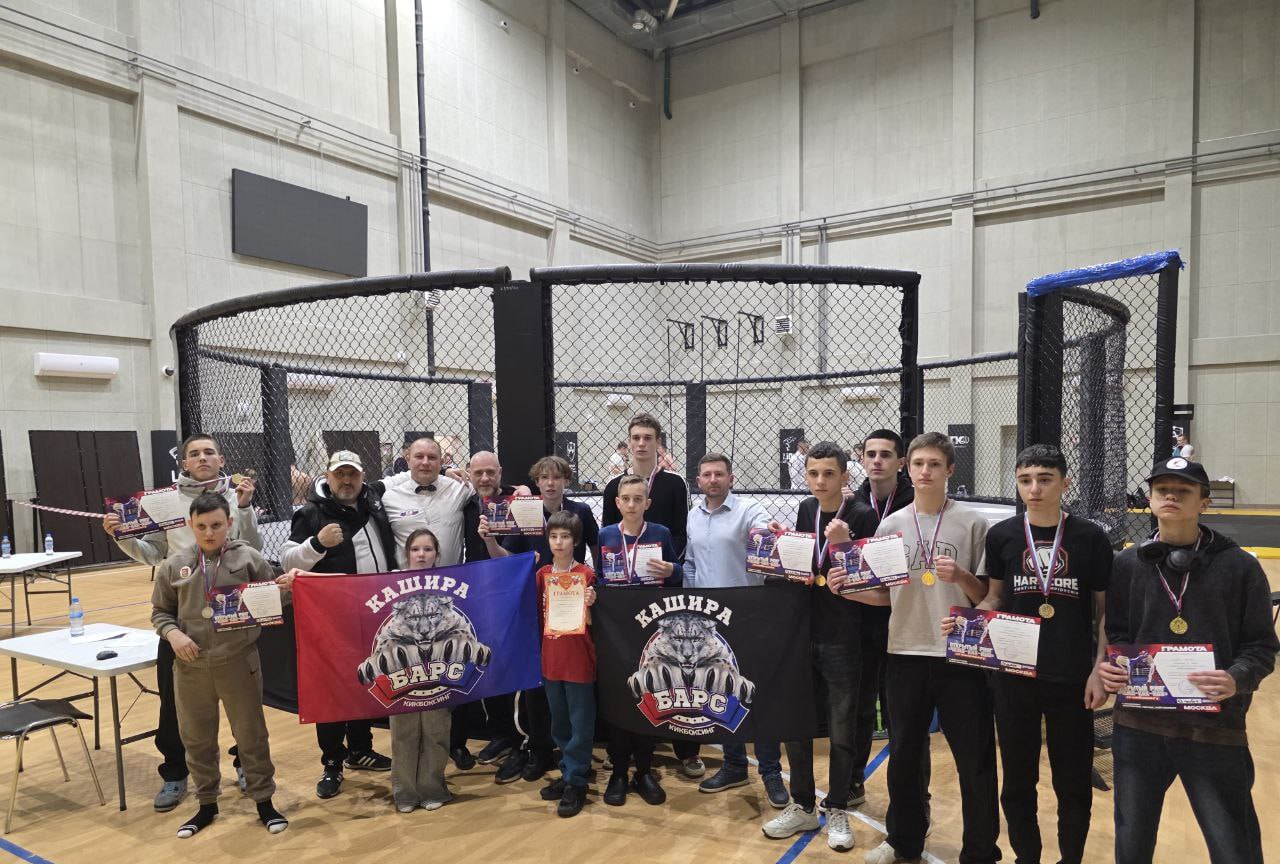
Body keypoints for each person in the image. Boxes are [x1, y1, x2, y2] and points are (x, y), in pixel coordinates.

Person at [1095, 457, 1277, 864]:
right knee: (1132, 845)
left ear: (1204, 502)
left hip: (1214, 728)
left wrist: (1236, 678)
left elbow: (1262, 646)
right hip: (1139, 725)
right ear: (1149, 499)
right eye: (1162, 490)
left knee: (1234, 847)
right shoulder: (1127, 565)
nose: (1171, 497)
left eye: (1183, 491)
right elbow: (1118, 633)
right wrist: (1114, 663)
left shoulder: (1240, 568)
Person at [943, 444, 1112, 864]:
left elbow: (1105, 612)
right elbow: (995, 598)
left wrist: (1099, 669)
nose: (1034, 489)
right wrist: (969, 624)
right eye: (1025, 480)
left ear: (1065, 483)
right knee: (1018, 782)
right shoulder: (1003, 535)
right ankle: (1027, 858)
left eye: (1045, 479)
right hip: (1014, 675)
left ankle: (1070, 859)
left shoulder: (1090, 537)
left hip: (1072, 678)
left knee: (1072, 783)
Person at [102, 433, 261, 812]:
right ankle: (175, 773)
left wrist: (245, 509)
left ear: (221, 460)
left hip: (232, 615)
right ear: (184, 463)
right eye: (194, 453)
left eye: (209, 452)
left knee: (242, 704)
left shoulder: (237, 496)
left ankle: (245, 765)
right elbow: (151, 553)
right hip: (181, 617)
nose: (202, 458)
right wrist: (121, 537)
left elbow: (253, 551)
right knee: (174, 704)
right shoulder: (164, 501)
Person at [862, 432, 999, 864]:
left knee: (974, 760)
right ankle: (904, 841)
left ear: (950, 470)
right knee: (904, 755)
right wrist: (845, 589)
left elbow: (986, 597)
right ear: (909, 467)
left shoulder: (973, 524)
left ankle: (980, 852)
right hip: (905, 652)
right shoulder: (891, 526)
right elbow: (884, 594)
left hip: (960, 657)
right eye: (919, 463)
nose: (925, 471)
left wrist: (961, 576)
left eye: (935, 464)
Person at [150, 492, 294, 838]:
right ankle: (206, 804)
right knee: (197, 738)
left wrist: (286, 589)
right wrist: (173, 634)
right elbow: (160, 612)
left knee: (251, 735)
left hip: (237, 663)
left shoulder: (249, 558)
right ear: (190, 525)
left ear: (229, 523)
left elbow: (270, 601)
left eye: (216, 525)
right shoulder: (175, 565)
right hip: (191, 667)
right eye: (201, 526)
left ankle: (264, 801)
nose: (209, 532)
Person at [763, 442, 878, 853]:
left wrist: (844, 544)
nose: (820, 481)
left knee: (842, 729)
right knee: (797, 724)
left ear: (845, 476)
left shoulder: (862, 514)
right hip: (804, 633)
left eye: (829, 473)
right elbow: (808, 566)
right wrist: (786, 548)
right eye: (813, 473)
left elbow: (873, 579)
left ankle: (839, 806)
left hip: (843, 636)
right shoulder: (806, 509)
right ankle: (803, 805)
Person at [280, 450, 395, 799]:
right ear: (327, 476)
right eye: (340, 474)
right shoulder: (311, 513)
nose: (346, 481)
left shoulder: (374, 501)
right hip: (330, 619)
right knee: (331, 688)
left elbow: (404, 479)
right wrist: (317, 544)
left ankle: (360, 748)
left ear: (362, 477)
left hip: (374, 612)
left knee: (364, 680)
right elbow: (287, 559)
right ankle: (332, 762)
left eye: (352, 474)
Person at [479, 454, 599, 784]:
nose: (550, 483)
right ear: (536, 482)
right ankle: (540, 751)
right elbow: (505, 557)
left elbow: (598, 548)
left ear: (566, 481)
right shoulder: (525, 510)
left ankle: (576, 762)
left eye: (556, 477)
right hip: (535, 604)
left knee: (573, 690)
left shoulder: (581, 512)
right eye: (544, 477)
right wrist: (490, 539)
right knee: (538, 684)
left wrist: (595, 588)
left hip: (571, 608)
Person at [682, 453, 787, 807]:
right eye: (707, 474)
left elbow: (765, 531)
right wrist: (691, 604)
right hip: (710, 622)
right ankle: (734, 765)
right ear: (699, 480)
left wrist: (768, 532)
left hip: (749, 617)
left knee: (759, 697)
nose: (713, 480)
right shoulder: (693, 516)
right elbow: (691, 564)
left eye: (719, 474)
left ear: (730, 478)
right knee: (721, 693)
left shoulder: (749, 510)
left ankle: (771, 773)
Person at [599, 414, 699, 777]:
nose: (641, 443)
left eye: (648, 437)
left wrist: (672, 568)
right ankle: (624, 747)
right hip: (624, 595)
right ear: (629, 442)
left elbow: (682, 534)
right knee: (629, 669)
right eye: (636, 437)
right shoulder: (614, 487)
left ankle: (686, 748)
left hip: (662, 589)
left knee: (674, 668)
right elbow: (609, 536)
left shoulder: (673, 483)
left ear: (658, 443)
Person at [596, 473, 683, 807]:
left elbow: (678, 575)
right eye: (626, 499)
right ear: (617, 503)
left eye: (638, 499)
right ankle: (619, 771)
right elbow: (600, 577)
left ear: (648, 503)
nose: (631, 505)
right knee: (620, 696)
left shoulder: (660, 533)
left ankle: (644, 770)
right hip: (616, 629)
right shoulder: (606, 535)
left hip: (651, 628)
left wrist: (671, 571)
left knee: (649, 693)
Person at [849, 429, 916, 799]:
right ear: (862, 459)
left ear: (900, 462)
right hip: (862, 618)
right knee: (860, 705)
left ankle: (908, 795)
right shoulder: (852, 503)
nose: (877, 461)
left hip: (903, 618)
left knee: (900, 711)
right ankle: (854, 781)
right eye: (871, 454)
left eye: (886, 454)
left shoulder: (915, 501)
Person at [456, 450, 526, 773]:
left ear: (500, 472)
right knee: (484, 664)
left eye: (490, 472)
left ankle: (519, 738)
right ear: (469, 474)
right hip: (477, 594)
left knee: (512, 666)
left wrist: (524, 490)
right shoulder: (466, 503)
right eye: (477, 473)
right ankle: (500, 733)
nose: (484, 478)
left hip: (513, 594)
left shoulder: (519, 500)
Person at [534, 510, 598, 818]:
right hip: (551, 658)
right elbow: (536, 615)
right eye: (554, 536)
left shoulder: (586, 575)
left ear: (576, 541)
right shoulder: (542, 574)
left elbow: (595, 622)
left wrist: (591, 603)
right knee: (559, 722)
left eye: (565, 537)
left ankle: (577, 782)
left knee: (580, 723)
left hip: (578, 659)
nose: (559, 542)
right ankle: (568, 770)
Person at [389, 528, 453, 813]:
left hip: (438, 670)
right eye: (415, 549)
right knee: (403, 731)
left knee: (436, 729)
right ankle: (404, 792)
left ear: (437, 554)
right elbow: (348, 584)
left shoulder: (449, 583)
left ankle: (433, 787)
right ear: (407, 554)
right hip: (402, 670)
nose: (422, 554)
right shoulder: (390, 580)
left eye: (428, 549)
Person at [379, 436, 473, 566]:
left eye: (432, 457)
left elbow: (488, 490)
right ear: (408, 460)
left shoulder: (460, 488)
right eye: (419, 456)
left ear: (441, 462)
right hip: (407, 578)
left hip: (452, 577)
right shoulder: (390, 498)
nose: (425, 462)